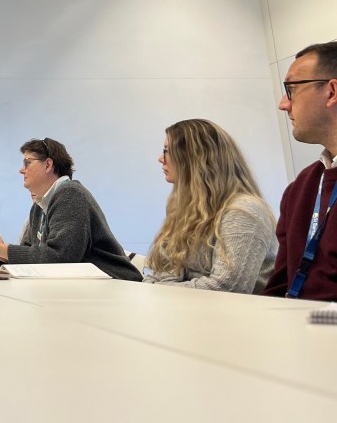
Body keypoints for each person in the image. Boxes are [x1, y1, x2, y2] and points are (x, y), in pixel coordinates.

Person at [0, 137, 141, 281]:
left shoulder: (71, 194)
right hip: (87, 286)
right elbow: (32, 253)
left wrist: (4, 250)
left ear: (48, 165)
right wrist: (1, 253)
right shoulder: (39, 206)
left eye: (28, 162)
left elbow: (61, 257)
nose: (21, 170)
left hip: (118, 284)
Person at [144, 119, 276, 293]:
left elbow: (228, 288)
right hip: (189, 306)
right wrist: (153, 288)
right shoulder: (185, 209)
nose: (161, 159)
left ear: (195, 158)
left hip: (235, 310)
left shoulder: (244, 211)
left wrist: (156, 290)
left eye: (167, 151)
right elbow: (160, 275)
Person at [263, 41, 337, 300]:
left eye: (291, 89)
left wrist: (306, 319)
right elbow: (279, 284)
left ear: (332, 92)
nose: (283, 104)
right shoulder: (302, 186)